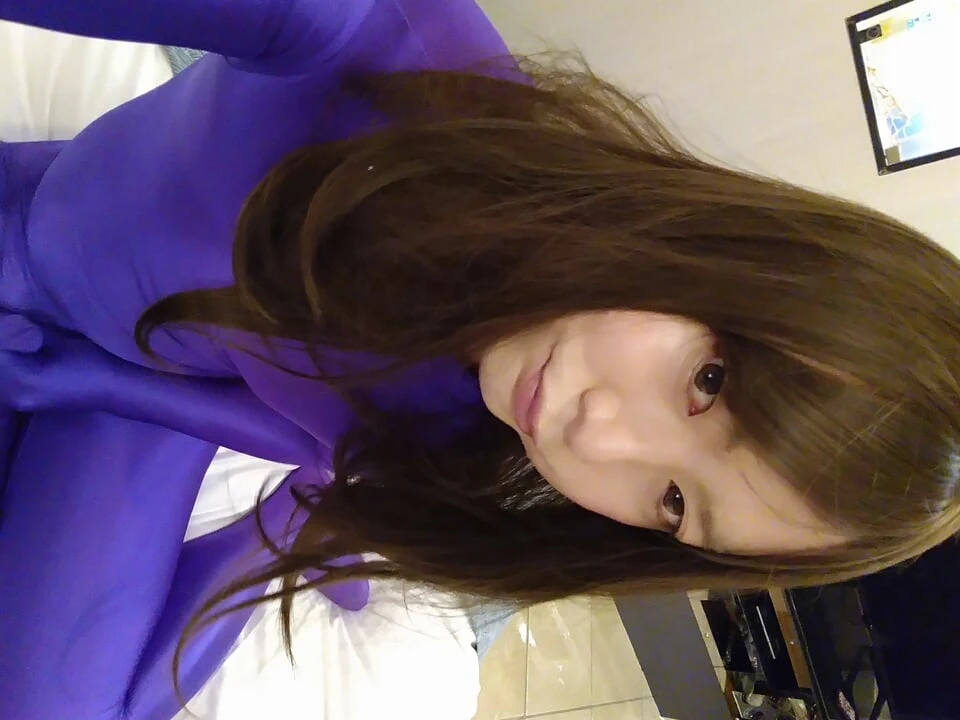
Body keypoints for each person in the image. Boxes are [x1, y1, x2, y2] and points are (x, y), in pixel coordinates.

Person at [1, 0, 959, 718]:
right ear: (735, 249)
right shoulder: (378, 47)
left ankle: (298, 510)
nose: (597, 438)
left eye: (673, 503)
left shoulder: (472, 431)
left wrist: (96, 380)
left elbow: (286, 408)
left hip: (131, 373)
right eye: (706, 385)